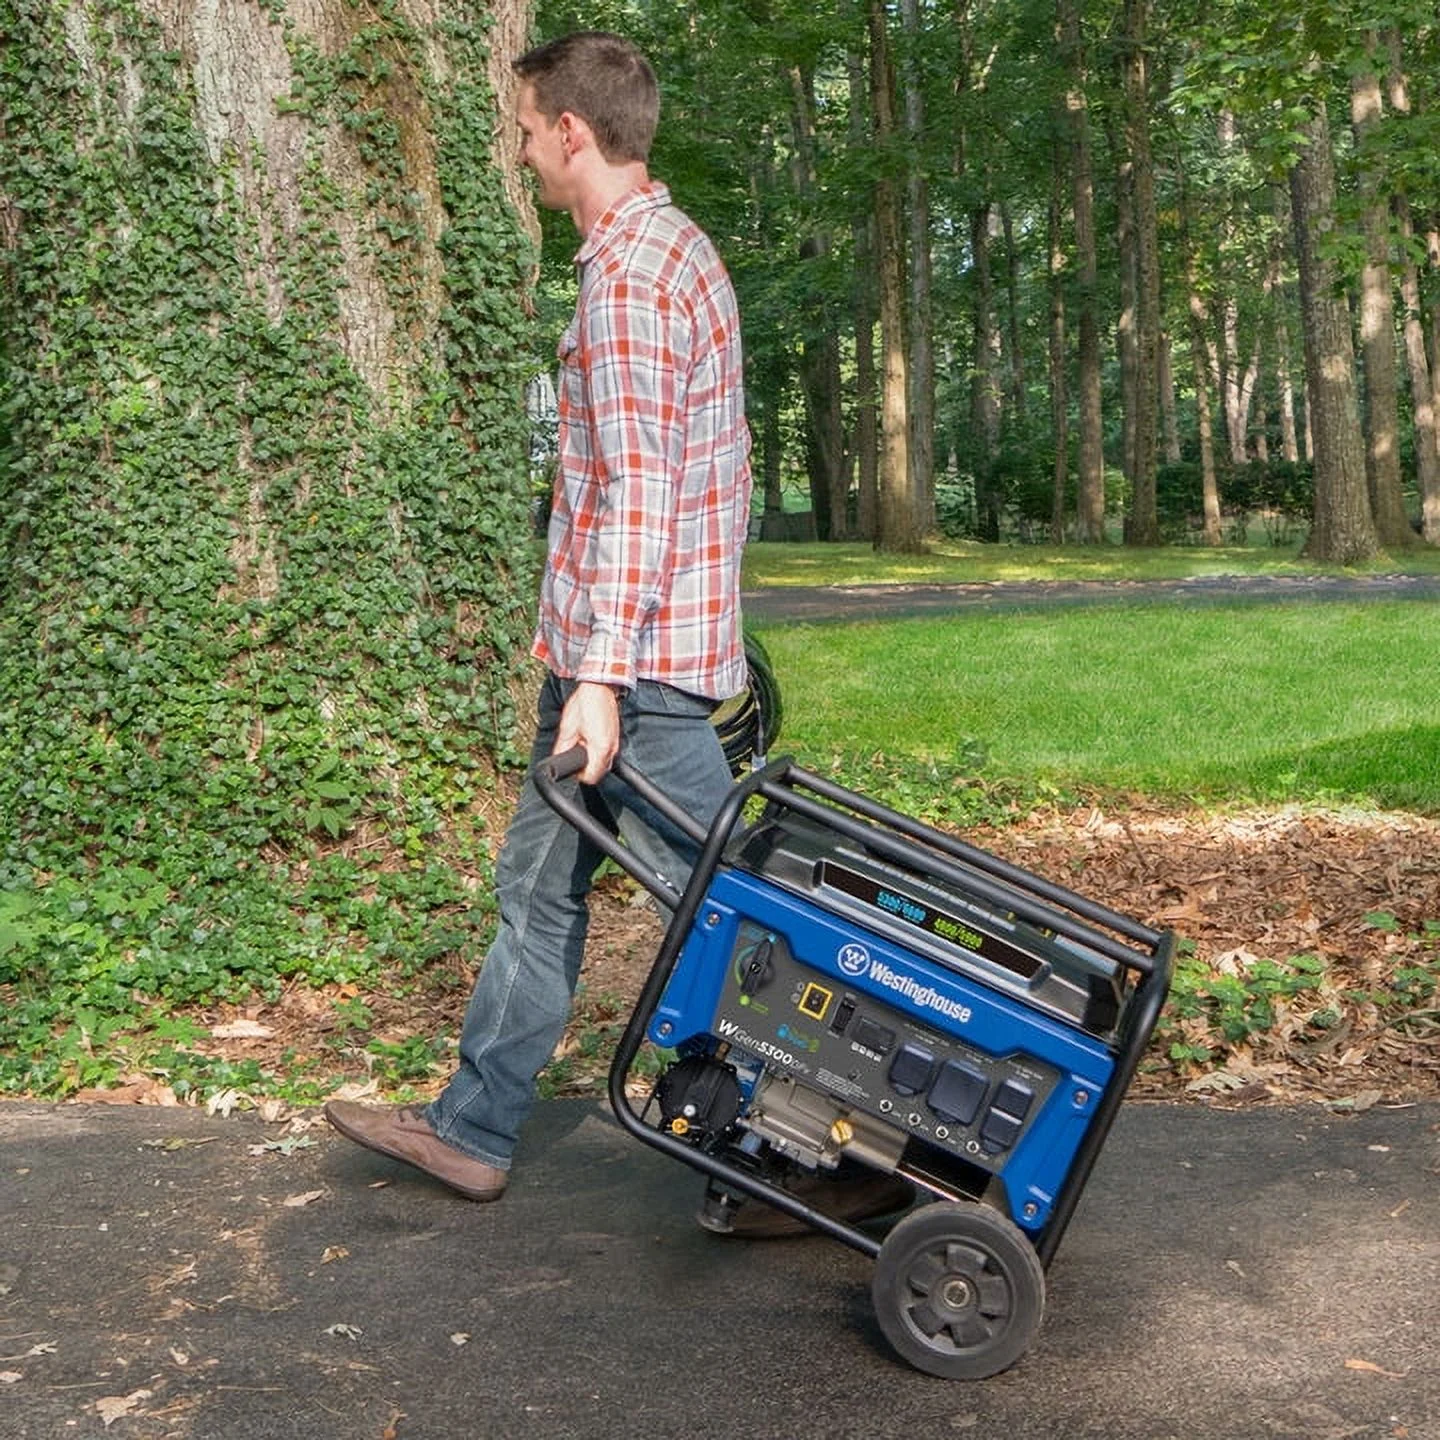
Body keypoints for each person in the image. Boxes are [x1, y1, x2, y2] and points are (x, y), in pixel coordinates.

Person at [324, 30, 910, 1238]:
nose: (524, 151)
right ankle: (474, 1128)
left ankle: (851, 1153)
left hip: (629, 677)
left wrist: (597, 679)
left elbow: (641, 490)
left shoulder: (638, 276)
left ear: (574, 133)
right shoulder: (657, 253)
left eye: (529, 130)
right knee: (544, 890)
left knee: (746, 910)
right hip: (619, 661)